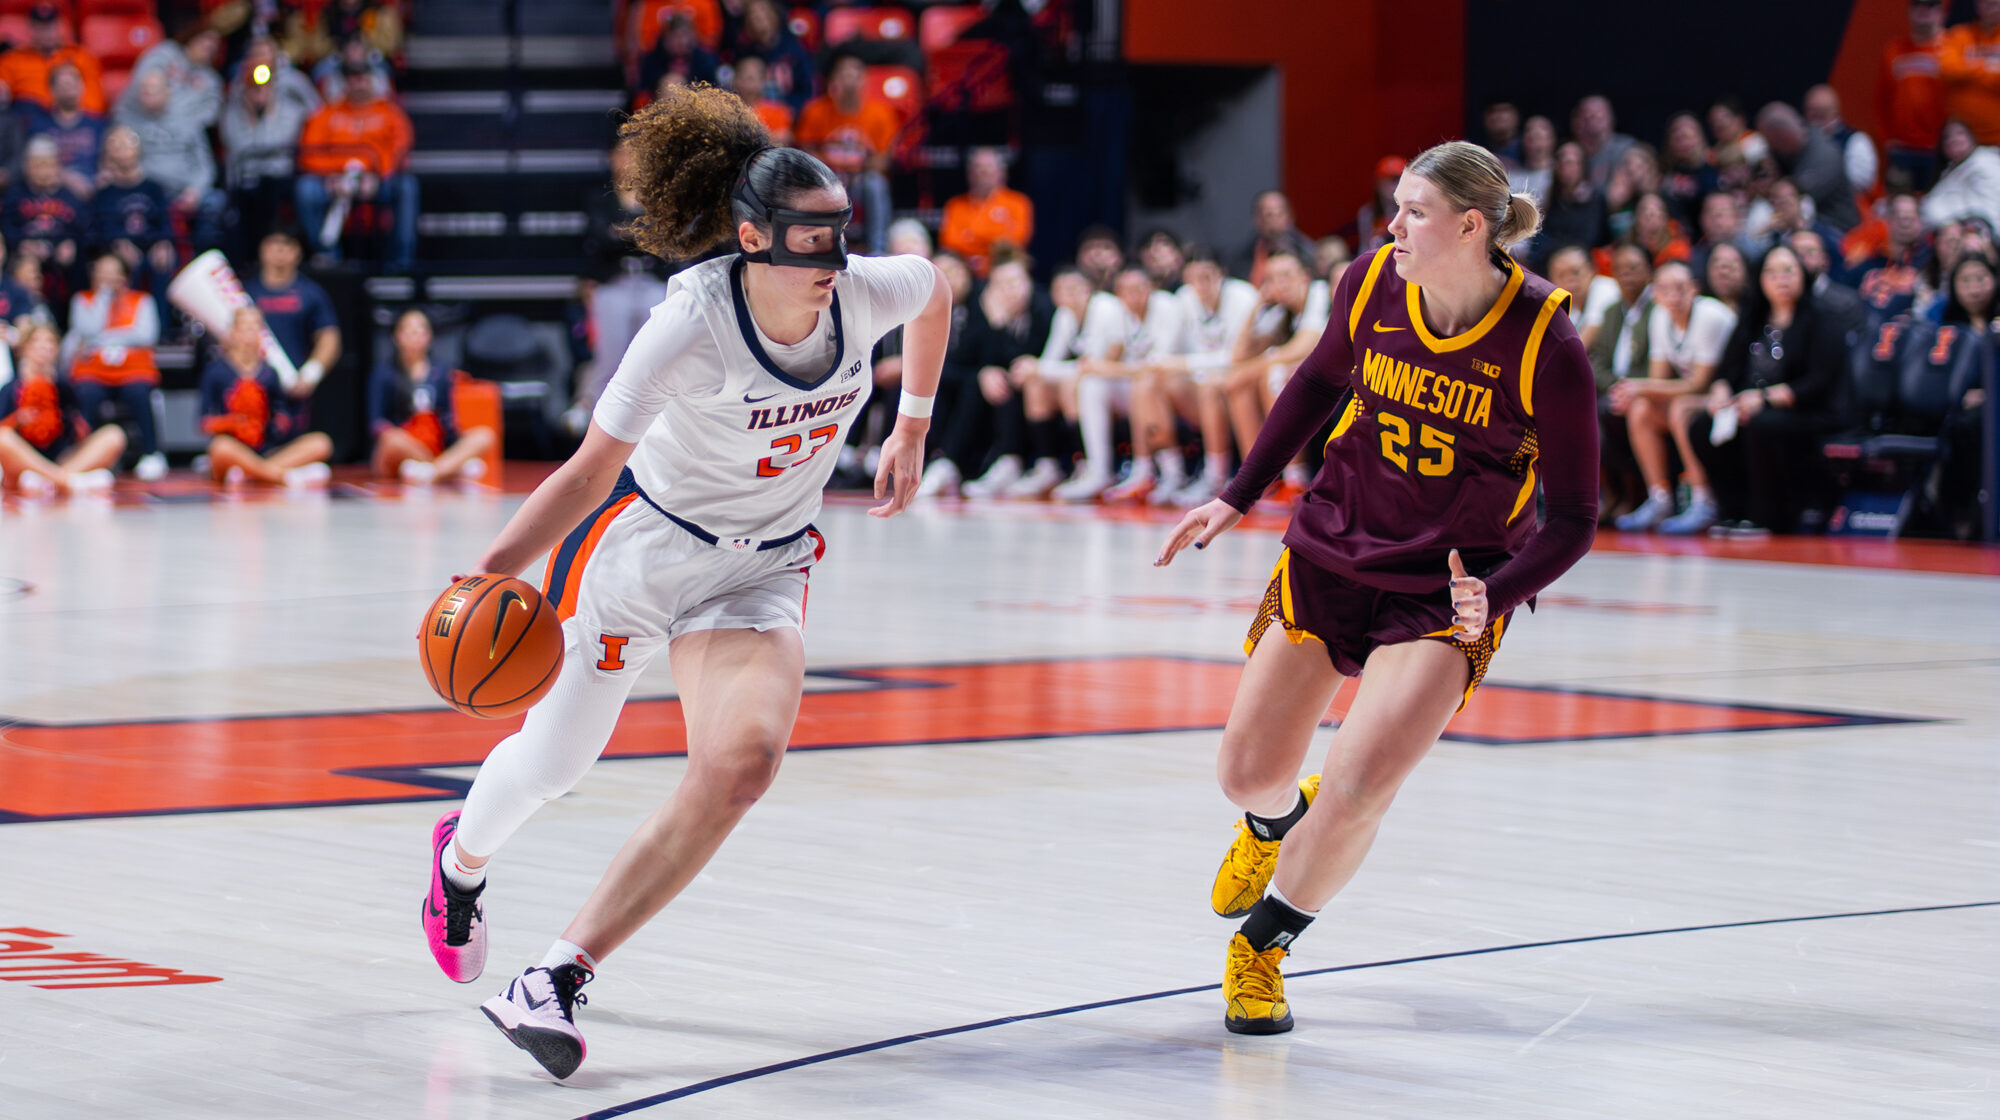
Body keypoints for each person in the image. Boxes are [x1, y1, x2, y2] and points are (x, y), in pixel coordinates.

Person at [420, 86, 951, 1081]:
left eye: (841, 236)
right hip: (647, 553)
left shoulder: (867, 291)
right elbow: (586, 470)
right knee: (553, 764)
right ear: (750, 238)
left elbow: (936, 292)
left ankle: (554, 977)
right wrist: (489, 574)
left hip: (762, 567)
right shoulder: (688, 326)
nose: (832, 263)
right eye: (808, 242)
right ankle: (459, 864)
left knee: (743, 764)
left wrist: (911, 427)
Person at [1154, 140, 1597, 1037]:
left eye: (1415, 212)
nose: (1392, 226)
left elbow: (1577, 517)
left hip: (1447, 586)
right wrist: (1237, 495)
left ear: (1471, 227)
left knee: (1361, 785)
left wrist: (1500, 592)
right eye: (1394, 207)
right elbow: (1317, 380)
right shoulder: (1368, 280)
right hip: (1332, 546)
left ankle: (1264, 948)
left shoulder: (1546, 337)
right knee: (1247, 771)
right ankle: (1275, 823)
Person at [1681, 245, 1849, 535]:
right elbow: (1727, 370)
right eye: (1771, 272)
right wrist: (1721, 391)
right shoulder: (1753, 316)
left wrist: (1764, 398)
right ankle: (1731, 511)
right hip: (1751, 408)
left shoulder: (1822, 318)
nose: (1780, 278)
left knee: (1761, 425)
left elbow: (1819, 381)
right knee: (1702, 428)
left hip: (1811, 410)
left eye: (1788, 270)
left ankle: (1766, 517)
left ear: (1803, 275)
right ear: (1760, 278)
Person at [1610, 261, 1738, 533]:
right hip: (1700, 396)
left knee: (1679, 407)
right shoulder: (1660, 316)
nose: (1673, 295)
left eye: (1680, 288)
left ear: (1694, 289)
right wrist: (1636, 392)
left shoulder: (1709, 315)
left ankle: (1704, 502)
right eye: (1665, 289)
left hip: (1728, 394)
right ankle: (1660, 499)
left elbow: (1700, 383)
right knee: (1641, 407)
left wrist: (1639, 386)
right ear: (1655, 293)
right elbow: (1659, 381)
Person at [927, 256, 1051, 496]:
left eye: (1016, 282)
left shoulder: (1043, 309)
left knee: (1002, 381)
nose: (1010, 290)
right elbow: (980, 357)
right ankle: (950, 462)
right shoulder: (988, 311)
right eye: (1001, 284)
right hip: (1004, 389)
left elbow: (1033, 354)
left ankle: (1017, 460)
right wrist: (997, 326)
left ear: (1029, 282)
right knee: (981, 381)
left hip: (1041, 381)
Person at [1154, 245, 1260, 506]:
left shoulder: (1243, 296)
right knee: (1152, 382)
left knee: (1209, 386)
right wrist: (1169, 364)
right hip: (1205, 380)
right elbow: (1165, 353)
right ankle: (1168, 473)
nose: (1200, 285)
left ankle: (1216, 477)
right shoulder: (1184, 298)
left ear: (1221, 274)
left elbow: (1235, 357)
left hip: (1241, 379)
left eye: (1207, 277)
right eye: (1193, 278)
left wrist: (1183, 364)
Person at [294, 59, 418, 271]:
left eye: (362, 77)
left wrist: (377, 174)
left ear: (372, 80)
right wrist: (334, 175)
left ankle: (402, 262)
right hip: (333, 180)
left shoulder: (389, 112)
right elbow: (309, 153)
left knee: (406, 186)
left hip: (377, 179)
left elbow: (400, 147)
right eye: (352, 78)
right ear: (344, 82)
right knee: (306, 189)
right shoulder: (327, 113)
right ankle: (327, 256)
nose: (358, 82)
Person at [200, 306, 333, 487]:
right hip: (235, 449)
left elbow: (282, 414)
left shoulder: (269, 373)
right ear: (233, 332)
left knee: (321, 443)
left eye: (257, 328)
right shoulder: (216, 371)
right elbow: (205, 422)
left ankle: (251, 474)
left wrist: (278, 423)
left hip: (267, 450)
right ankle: (283, 476)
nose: (252, 334)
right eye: (247, 328)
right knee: (219, 448)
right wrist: (234, 423)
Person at [62, 253, 164, 479]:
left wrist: (104, 339)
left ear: (124, 276)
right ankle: (85, 454)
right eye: (102, 272)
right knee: (86, 394)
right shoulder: (83, 300)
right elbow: (86, 330)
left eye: (113, 272)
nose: (108, 277)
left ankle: (151, 453)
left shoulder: (142, 300)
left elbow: (146, 336)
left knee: (139, 391)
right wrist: (103, 298)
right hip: (95, 372)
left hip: (132, 370)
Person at [369, 308, 497, 484]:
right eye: (409, 330)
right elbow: (376, 422)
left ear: (429, 336)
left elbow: (449, 420)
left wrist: (456, 440)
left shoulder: (441, 372)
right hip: (403, 445)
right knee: (392, 440)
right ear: (397, 336)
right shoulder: (384, 373)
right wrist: (398, 435)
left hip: (435, 444)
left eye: (421, 330)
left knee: (484, 435)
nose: (415, 336)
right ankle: (451, 469)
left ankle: (432, 472)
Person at [793, 49, 897, 255]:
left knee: (875, 183)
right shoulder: (815, 111)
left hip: (860, 180)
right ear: (833, 80)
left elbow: (883, 161)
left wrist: (843, 164)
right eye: (843, 74)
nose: (849, 81)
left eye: (855, 75)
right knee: (808, 184)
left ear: (864, 80)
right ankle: (815, 249)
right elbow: (805, 155)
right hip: (827, 180)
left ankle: (878, 250)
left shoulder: (880, 113)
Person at [0, 322, 121, 495]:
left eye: (50, 343)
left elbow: (82, 430)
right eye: (37, 343)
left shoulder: (65, 387)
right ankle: (67, 481)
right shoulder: (11, 387)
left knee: (113, 435)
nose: (44, 348)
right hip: (25, 461)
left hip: (62, 458)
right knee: (3, 439)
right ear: (25, 349)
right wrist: (17, 420)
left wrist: (70, 421)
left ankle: (53, 479)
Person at [241, 226, 342, 431]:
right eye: (273, 244)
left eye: (286, 244)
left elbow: (329, 338)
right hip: (252, 387)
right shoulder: (245, 294)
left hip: (292, 389)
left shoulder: (311, 293)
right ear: (262, 250)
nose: (279, 250)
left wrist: (310, 374)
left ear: (297, 252)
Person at [221, 62, 311, 263]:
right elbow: (239, 146)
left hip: (280, 177)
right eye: (253, 89)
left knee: (272, 192)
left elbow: (283, 139)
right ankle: (244, 264)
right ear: (244, 91)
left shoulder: (287, 111)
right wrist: (251, 117)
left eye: (264, 88)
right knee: (240, 202)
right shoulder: (233, 114)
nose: (259, 94)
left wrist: (267, 118)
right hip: (244, 179)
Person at [91, 128, 176, 308]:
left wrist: (163, 243)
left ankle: (161, 328)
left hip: (151, 244)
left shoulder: (154, 188)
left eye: (126, 143)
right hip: (120, 247)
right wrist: (119, 242)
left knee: (162, 261)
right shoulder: (104, 194)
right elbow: (103, 226)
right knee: (125, 264)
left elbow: (163, 221)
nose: (121, 149)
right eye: (115, 145)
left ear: (138, 149)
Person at [0, 137, 84, 300]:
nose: (43, 172)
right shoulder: (14, 195)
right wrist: (21, 244)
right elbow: (6, 227)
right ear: (26, 167)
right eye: (37, 165)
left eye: (48, 165)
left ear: (58, 166)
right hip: (25, 256)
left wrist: (70, 243)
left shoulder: (71, 197)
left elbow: (83, 228)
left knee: (76, 259)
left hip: (60, 259)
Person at [1757, 102, 1861, 232]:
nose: (1771, 149)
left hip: (1836, 232)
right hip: (1807, 227)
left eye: (1771, 143)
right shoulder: (1795, 148)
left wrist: (1769, 189)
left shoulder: (1823, 155)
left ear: (1782, 137)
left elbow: (1793, 198)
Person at [1882, 0, 1950, 188]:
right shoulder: (1894, 50)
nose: (1923, 11)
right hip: (1902, 148)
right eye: (1918, 5)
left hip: (1939, 149)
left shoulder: (1952, 48)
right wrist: (1887, 138)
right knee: (1900, 208)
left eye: (1930, 5)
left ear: (1941, 12)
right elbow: (1882, 99)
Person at [940, 147, 1033, 277]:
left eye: (989, 167)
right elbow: (950, 242)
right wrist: (992, 240)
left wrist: (971, 236)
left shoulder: (1018, 202)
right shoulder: (955, 205)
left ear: (1002, 172)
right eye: (978, 167)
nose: (983, 172)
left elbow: (1016, 240)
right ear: (970, 174)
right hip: (966, 272)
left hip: (1002, 268)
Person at [0, 3, 107, 115]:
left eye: (50, 27)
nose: (46, 33)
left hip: (71, 122)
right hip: (28, 124)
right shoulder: (12, 60)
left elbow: (95, 104)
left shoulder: (81, 57)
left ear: (60, 26)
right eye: (40, 27)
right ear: (30, 29)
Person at [20, 64, 105, 201]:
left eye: (72, 84)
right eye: (63, 85)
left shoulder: (98, 124)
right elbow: (30, 164)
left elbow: (107, 162)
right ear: (52, 90)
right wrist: (66, 178)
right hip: (52, 193)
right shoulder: (38, 125)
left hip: (93, 192)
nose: (68, 89)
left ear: (82, 87)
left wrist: (102, 179)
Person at [1854, 191, 1934, 320]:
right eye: (1899, 217)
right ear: (1887, 219)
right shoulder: (1866, 261)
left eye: (1910, 217)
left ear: (1920, 221)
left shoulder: (1932, 262)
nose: (1905, 223)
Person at [1921, 117, 2000, 234]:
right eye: (1947, 137)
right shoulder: (1948, 171)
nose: (1953, 139)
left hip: (1984, 236)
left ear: (1971, 137)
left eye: (1960, 133)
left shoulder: (1985, 161)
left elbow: (1989, 208)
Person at [1940, 0, 2000, 146]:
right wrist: (1988, 68)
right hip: (1962, 143)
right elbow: (1948, 69)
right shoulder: (1959, 34)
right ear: (1977, 4)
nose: (1991, 8)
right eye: (1986, 3)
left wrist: (1967, 69)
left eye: (1995, 3)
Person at [1803, 85, 1879, 199]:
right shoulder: (1800, 141)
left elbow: (1861, 183)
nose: (1815, 117)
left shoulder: (1856, 141)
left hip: (1847, 207)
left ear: (1835, 111)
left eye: (1822, 112)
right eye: (1812, 111)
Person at [1236, 189, 1319, 285]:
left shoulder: (1307, 252)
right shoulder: (1243, 259)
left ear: (1290, 217)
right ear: (1258, 219)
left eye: (1280, 214)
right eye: (1269, 215)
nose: (1275, 221)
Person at [1573, 94, 1636, 189]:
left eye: (1599, 112)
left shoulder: (1627, 149)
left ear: (1611, 118)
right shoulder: (1572, 152)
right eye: (1587, 113)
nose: (1593, 116)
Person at [729, 54, 792, 146]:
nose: (745, 83)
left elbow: (783, 139)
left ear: (763, 81)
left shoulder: (777, 112)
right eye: (741, 77)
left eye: (750, 78)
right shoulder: (728, 110)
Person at [1506, 115, 1556, 209]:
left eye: (1539, 137)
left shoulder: (1559, 176)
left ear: (1551, 139)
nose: (1535, 143)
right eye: (1531, 138)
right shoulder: (1512, 178)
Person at [1704, 240, 1750, 314]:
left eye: (1731, 266)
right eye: (1717, 265)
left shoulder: (1760, 312)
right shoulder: (1698, 310)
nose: (1724, 272)